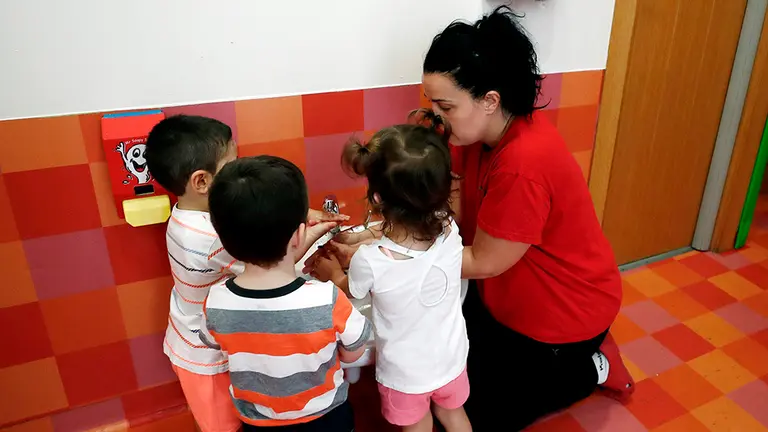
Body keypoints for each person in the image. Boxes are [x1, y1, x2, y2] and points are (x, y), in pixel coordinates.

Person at [323, 7, 635, 431]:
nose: (436, 116)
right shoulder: (471, 134)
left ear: (490, 100)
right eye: (432, 103)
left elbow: (485, 260)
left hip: (562, 311)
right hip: (498, 296)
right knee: (445, 369)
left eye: (445, 105)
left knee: (477, 413)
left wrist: (384, 254)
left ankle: (589, 367)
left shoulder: (524, 163)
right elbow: (420, 210)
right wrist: (371, 239)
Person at [144, 116, 346, 432]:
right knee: (223, 426)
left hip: (204, 335)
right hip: (205, 357)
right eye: (231, 165)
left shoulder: (188, 214)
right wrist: (314, 236)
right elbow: (272, 263)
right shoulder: (211, 238)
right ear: (201, 182)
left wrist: (300, 215)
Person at [308, 124, 472, 432]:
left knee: (419, 425)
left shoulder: (371, 261)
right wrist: (361, 241)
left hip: (406, 374)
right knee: (454, 416)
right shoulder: (449, 227)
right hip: (452, 357)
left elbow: (351, 291)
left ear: (378, 198)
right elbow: (406, 231)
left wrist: (332, 271)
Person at [202, 155, 372, 431]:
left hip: (258, 422)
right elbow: (355, 352)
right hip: (326, 419)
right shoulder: (326, 299)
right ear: (298, 236)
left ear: (224, 238)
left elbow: (217, 345)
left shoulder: (216, 302)